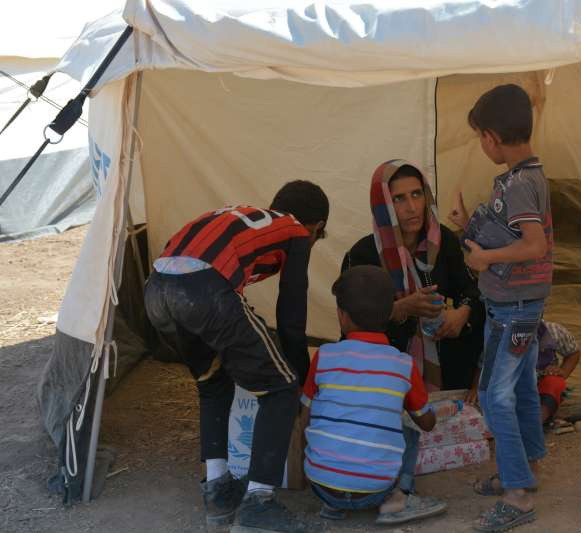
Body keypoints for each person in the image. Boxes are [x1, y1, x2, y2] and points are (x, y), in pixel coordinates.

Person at [143, 180, 328, 533]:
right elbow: (292, 312)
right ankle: (259, 505)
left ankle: (218, 488)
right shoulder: (296, 231)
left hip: (157, 288)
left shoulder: (242, 214)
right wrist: (297, 375)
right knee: (281, 388)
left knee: (212, 382)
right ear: (316, 226)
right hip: (202, 289)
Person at [449, 84, 554, 532]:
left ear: (492, 137)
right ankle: (526, 468)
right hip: (523, 308)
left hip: (513, 311)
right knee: (525, 389)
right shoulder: (532, 175)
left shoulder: (518, 186)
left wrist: (485, 258)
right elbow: (520, 236)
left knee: (495, 395)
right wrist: (470, 231)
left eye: (480, 138)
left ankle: (517, 494)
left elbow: (534, 244)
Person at [300, 265, 447, 525]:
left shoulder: (323, 356)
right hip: (374, 492)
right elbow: (427, 423)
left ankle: (332, 506)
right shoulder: (403, 364)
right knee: (408, 432)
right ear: (390, 312)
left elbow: (305, 417)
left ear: (342, 316)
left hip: (320, 486)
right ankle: (398, 498)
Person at [342, 160, 484, 392]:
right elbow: (350, 323)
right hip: (385, 367)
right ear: (383, 205)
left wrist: (462, 314)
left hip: (446, 362)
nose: (412, 207)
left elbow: (470, 289)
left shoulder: (443, 240)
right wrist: (400, 308)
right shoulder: (363, 255)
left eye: (417, 194)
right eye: (399, 198)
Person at [467, 319, 581, 424]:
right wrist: (476, 388)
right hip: (513, 384)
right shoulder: (500, 336)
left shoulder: (554, 331)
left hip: (542, 386)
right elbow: (485, 365)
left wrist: (562, 371)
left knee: (555, 382)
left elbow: (573, 352)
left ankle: (538, 419)